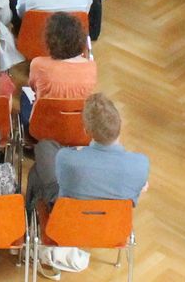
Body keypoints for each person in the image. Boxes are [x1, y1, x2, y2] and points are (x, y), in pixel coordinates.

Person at [27, 92, 150, 223]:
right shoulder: (141, 164)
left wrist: (78, 151)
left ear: (86, 131)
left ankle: (28, 211)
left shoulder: (67, 158)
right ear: (120, 124)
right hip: (111, 225)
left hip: (71, 220)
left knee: (42, 154)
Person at [27, 13, 96, 112]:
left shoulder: (38, 64)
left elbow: (33, 87)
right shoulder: (91, 67)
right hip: (76, 119)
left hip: (43, 118)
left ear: (49, 41)